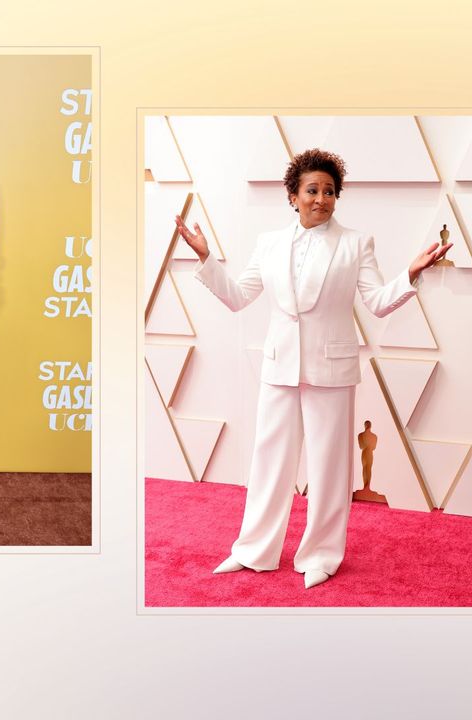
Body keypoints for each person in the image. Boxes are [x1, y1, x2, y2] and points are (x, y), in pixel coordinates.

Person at [175, 148, 449, 589]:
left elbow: (378, 303)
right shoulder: (269, 243)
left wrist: (411, 275)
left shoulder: (357, 243)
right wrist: (207, 259)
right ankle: (253, 551)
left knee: (328, 466)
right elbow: (238, 296)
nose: (320, 198)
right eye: (312, 190)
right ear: (292, 195)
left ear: (336, 197)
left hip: (332, 370)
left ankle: (322, 554)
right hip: (279, 366)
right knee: (268, 463)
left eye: (329, 191)